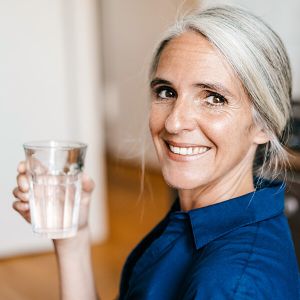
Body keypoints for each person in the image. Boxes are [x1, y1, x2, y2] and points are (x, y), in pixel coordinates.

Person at [12, 5, 300, 300]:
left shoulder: (230, 286)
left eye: (214, 98)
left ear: (264, 124)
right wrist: (72, 239)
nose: (174, 122)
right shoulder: (202, 217)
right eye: (166, 92)